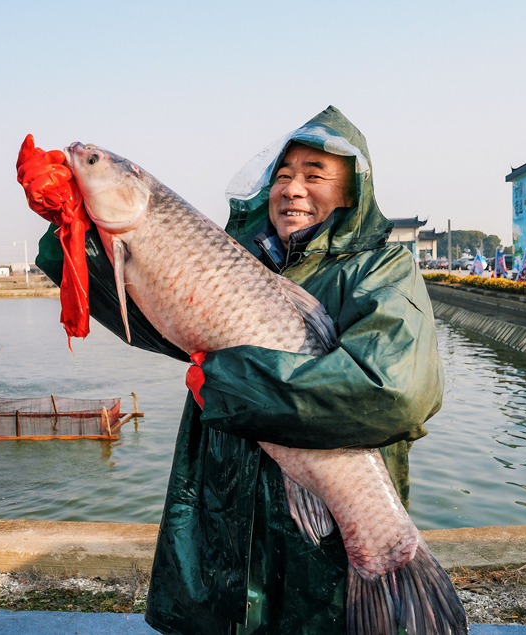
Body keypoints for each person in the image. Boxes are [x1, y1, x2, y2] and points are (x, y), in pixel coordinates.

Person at [27, 106, 445, 635]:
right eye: (284, 176)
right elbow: (145, 322)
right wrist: (70, 228)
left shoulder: (384, 268)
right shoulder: (236, 256)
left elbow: (394, 392)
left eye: (315, 176)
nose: (293, 189)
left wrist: (236, 381)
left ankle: (388, 557)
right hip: (223, 512)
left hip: (324, 534)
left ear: (350, 195)